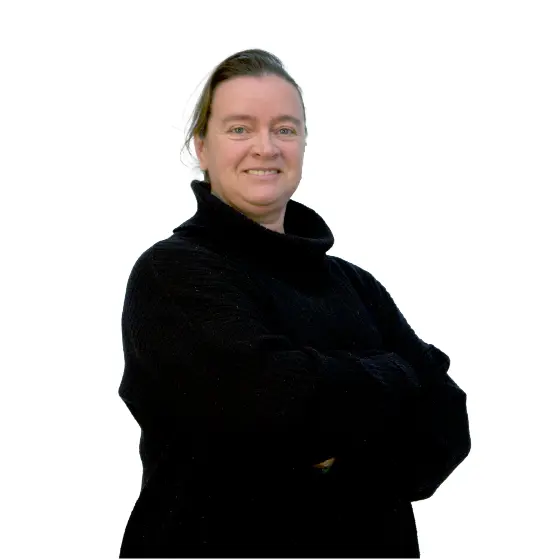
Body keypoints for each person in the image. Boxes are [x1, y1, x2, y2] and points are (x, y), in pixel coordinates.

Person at [117, 48, 471, 558]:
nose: (265, 147)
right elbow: (269, 406)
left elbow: (447, 429)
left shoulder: (356, 285)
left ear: (303, 143)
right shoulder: (172, 274)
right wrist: (397, 374)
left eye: (284, 129)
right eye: (240, 129)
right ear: (202, 146)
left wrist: (325, 445)